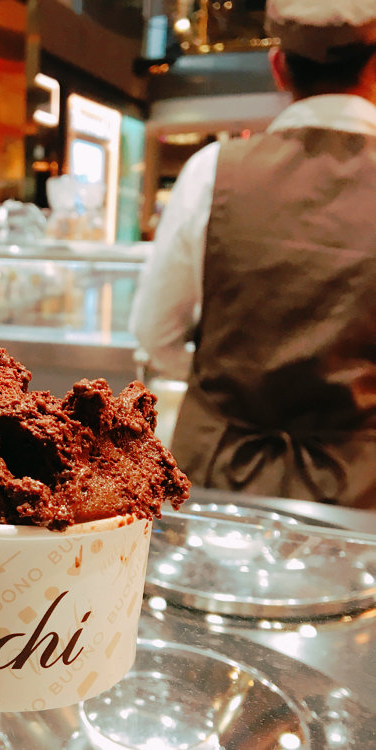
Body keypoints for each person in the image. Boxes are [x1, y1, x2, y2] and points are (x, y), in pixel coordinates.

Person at [130, 0, 376, 509]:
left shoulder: (212, 171)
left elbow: (155, 335)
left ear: (278, 66)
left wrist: (224, 390)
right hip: (360, 492)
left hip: (219, 476)